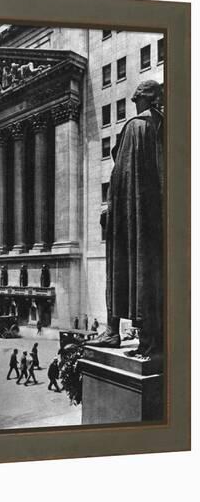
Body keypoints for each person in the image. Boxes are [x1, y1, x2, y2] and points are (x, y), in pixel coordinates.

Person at [88, 80, 164, 358]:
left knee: (124, 271)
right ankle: (142, 338)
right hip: (148, 220)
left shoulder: (136, 127)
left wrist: (112, 212)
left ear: (142, 99)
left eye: (136, 98)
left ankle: (114, 333)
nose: (133, 100)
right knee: (144, 272)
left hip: (129, 220)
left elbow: (123, 178)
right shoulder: (159, 124)